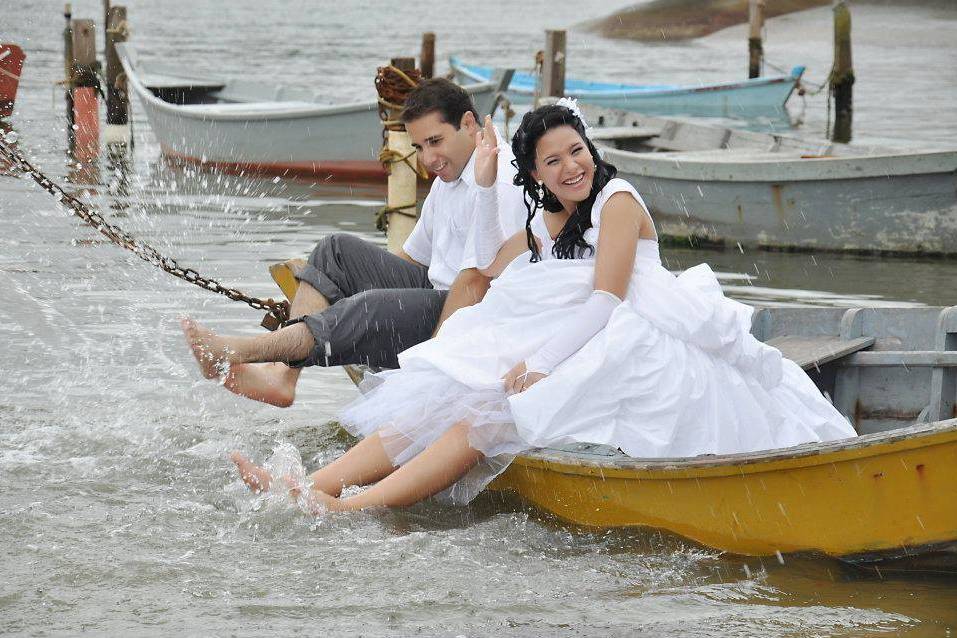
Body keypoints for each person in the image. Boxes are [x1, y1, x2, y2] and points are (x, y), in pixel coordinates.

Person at [230, 101, 857, 512]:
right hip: (572, 330)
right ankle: (314, 486)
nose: (570, 166)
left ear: (590, 147)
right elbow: (482, 266)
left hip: (629, 334)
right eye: (551, 161)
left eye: (575, 150)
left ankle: (350, 507)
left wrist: (543, 366)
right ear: (534, 175)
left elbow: (607, 298)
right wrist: (481, 185)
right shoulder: (547, 218)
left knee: (488, 416)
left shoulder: (617, 200)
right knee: (446, 395)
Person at [181, 78, 526, 407]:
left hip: (469, 315)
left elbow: (489, 284)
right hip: (438, 291)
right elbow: (410, 258)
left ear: (468, 124)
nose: (427, 159)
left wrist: (425, 348)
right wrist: (328, 282)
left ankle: (242, 351)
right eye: (419, 147)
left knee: (369, 307)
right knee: (336, 250)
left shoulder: (503, 178)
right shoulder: (448, 177)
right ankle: (281, 376)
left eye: (435, 141)